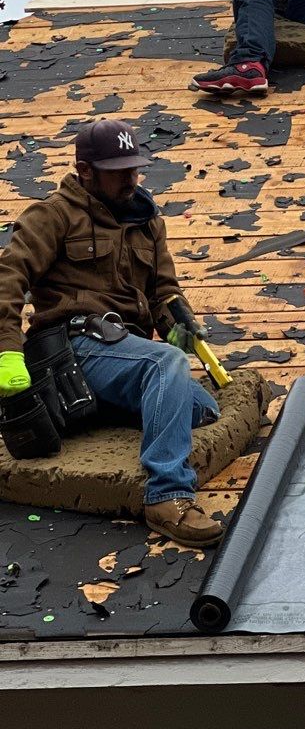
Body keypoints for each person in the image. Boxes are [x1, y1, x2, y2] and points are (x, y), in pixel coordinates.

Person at [0, 120, 223, 549]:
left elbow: (164, 291)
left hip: (122, 348)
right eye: (118, 171)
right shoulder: (53, 216)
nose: (131, 179)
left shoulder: (147, 220)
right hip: (74, 346)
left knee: (202, 409)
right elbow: (7, 278)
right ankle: (167, 496)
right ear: (85, 171)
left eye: (134, 168)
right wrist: (7, 351)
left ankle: (89, 407)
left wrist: (178, 324)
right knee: (166, 365)